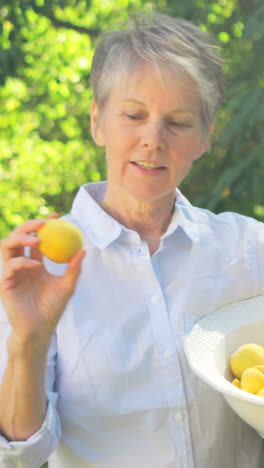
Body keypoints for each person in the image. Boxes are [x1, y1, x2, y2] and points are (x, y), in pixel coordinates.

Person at [0, 11, 264, 468]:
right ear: (98, 121)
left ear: (205, 136)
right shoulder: (38, 270)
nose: (153, 139)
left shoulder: (247, 250)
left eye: (178, 122)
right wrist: (29, 341)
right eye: (133, 115)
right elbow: (21, 454)